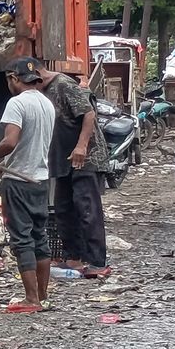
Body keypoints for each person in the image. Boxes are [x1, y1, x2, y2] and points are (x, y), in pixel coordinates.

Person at [0, 58, 56, 313]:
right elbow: (29, 144)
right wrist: (3, 163)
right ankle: (42, 296)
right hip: (40, 179)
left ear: (14, 78)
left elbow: (10, 141)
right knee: (39, 236)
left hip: (18, 182)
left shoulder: (17, 103)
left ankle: (31, 299)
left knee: (22, 239)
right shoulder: (46, 103)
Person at [36, 66, 110, 277]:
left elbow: (88, 113)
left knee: (87, 209)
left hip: (85, 157)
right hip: (63, 159)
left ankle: (97, 262)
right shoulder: (43, 92)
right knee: (63, 209)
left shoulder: (63, 85)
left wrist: (81, 146)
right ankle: (73, 258)